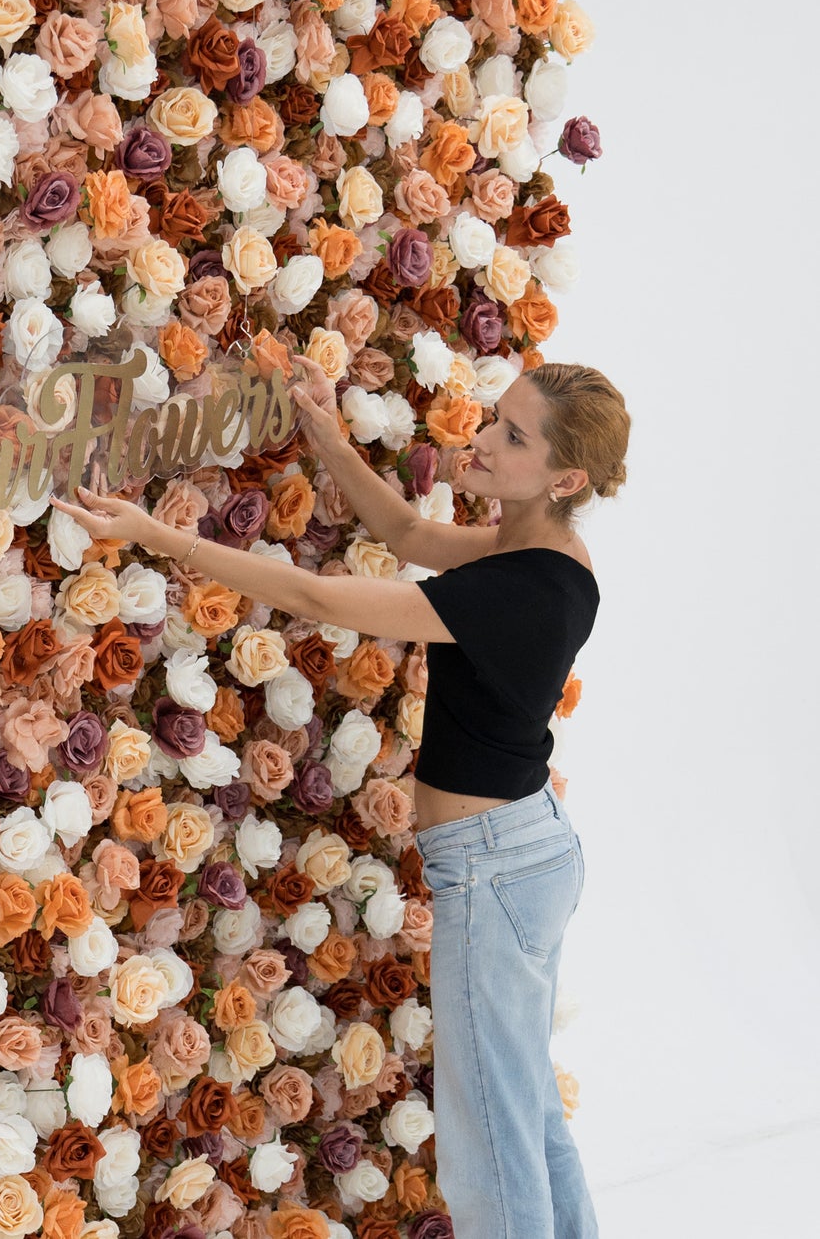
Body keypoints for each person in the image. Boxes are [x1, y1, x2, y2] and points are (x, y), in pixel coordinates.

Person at [51, 354, 631, 1239]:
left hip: (496, 874)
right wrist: (324, 430)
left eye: (512, 437)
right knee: (527, 1119)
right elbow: (405, 530)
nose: (481, 440)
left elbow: (318, 594)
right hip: (519, 857)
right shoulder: (539, 549)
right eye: (494, 418)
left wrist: (159, 538)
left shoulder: (521, 591)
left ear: (568, 476)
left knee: (491, 1149)